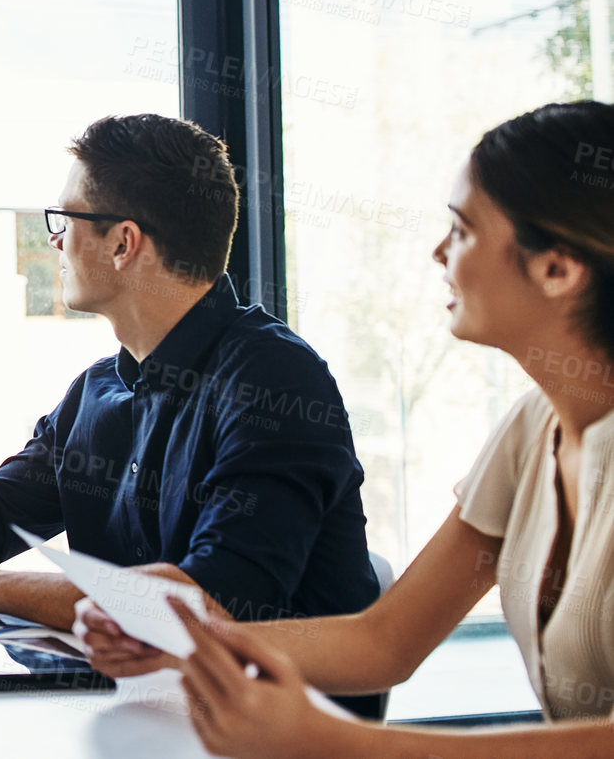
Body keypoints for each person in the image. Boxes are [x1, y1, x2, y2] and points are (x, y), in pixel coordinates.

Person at [77, 102, 614, 757]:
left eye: (464, 231)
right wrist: (178, 638)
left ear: (557, 269)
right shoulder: (534, 429)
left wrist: (340, 742)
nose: (438, 251)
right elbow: (384, 641)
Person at [0, 114, 379, 632]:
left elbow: (216, 600)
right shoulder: (98, 390)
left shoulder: (275, 380)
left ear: (123, 243)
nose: (54, 241)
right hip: (138, 698)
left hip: (267, 709)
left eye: (64, 219)